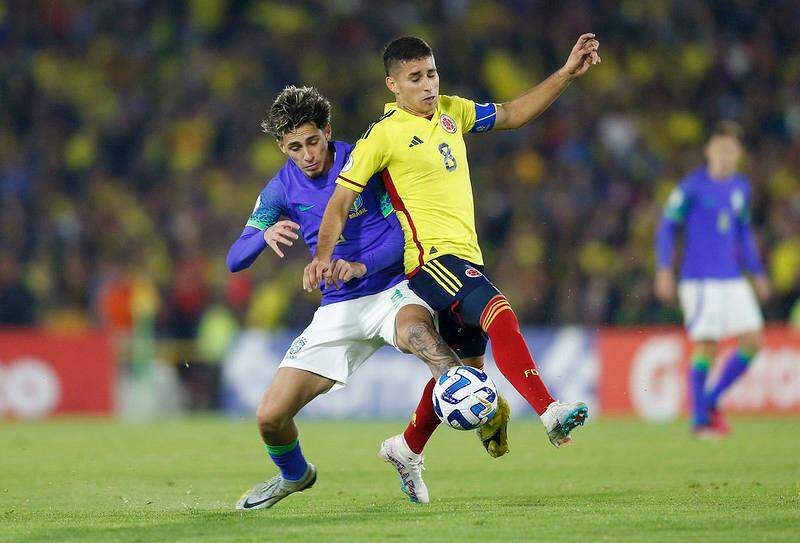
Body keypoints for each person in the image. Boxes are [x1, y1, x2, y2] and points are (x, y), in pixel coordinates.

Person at [306, 34, 601, 459]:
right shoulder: (383, 136)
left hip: (464, 256)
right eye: (415, 78)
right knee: (500, 313)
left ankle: (405, 448)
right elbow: (340, 201)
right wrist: (323, 256)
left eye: (431, 74)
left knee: (467, 370)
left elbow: (514, 114)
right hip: (430, 261)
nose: (428, 86)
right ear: (393, 85)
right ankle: (549, 409)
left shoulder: (452, 111)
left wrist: (567, 74)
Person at [227, 86, 508, 509]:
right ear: (282, 148)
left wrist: (361, 266)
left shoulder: (364, 159)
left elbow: (403, 232)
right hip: (338, 308)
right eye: (294, 148)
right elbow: (234, 258)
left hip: (393, 291)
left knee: (423, 337)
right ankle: (294, 476)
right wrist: (262, 236)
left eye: (312, 142)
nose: (306, 155)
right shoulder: (279, 191)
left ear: (327, 131)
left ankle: (478, 407)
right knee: (269, 417)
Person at [655, 121, 770, 437]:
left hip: (733, 278)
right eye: (718, 148)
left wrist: (757, 272)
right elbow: (667, 227)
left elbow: (743, 233)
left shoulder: (741, 187)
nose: (723, 155)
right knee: (708, 345)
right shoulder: (691, 186)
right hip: (700, 280)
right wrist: (664, 269)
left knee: (753, 341)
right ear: (708, 151)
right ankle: (699, 420)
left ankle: (710, 400)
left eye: (730, 150)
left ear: (739, 154)